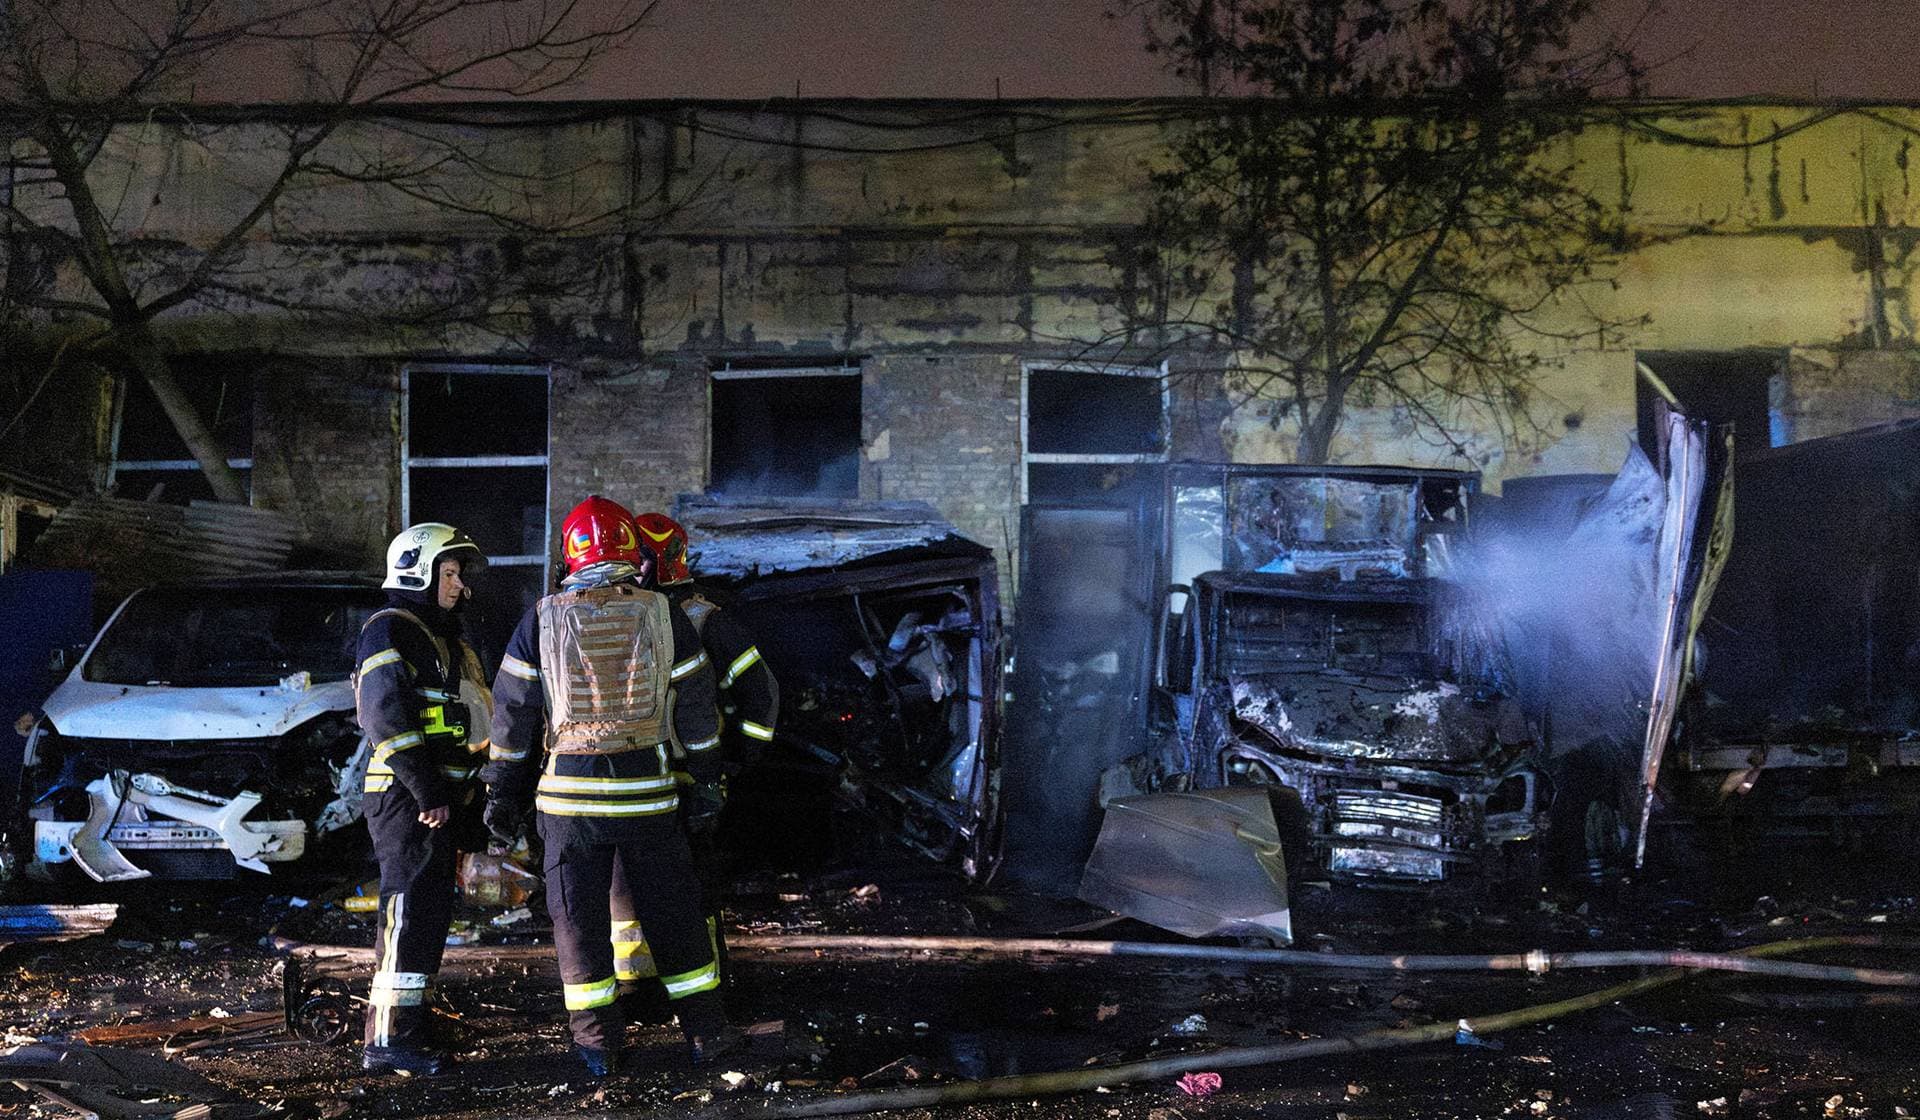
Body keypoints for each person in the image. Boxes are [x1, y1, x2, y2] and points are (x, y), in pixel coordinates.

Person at [481, 495, 746, 1078]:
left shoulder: (540, 618)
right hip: (649, 798)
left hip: (569, 807)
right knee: (674, 913)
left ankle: (599, 1047)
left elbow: (513, 715)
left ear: (569, 557)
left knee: (578, 924)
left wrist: (502, 793)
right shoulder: (663, 613)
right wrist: (706, 781)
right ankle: (707, 1034)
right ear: (632, 553)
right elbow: (697, 708)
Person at [608, 512, 780, 1002]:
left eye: (633, 559)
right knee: (629, 882)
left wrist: (737, 758)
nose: (624, 569)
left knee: (690, 884)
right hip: (638, 778)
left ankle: (705, 988)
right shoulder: (628, 613)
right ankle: (640, 987)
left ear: (657, 561)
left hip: (688, 777)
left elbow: (761, 692)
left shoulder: (705, 620)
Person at [356, 522, 491, 1076]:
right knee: (407, 911)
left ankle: (410, 1022)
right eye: (450, 573)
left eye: (459, 575)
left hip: (438, 799)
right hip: (407, 797)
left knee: (429, 914)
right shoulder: (391, 628)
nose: (459, 585)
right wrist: (429, 790)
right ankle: (387, 1042)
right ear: (418, 569)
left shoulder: (445, 639)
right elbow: (384, 715)